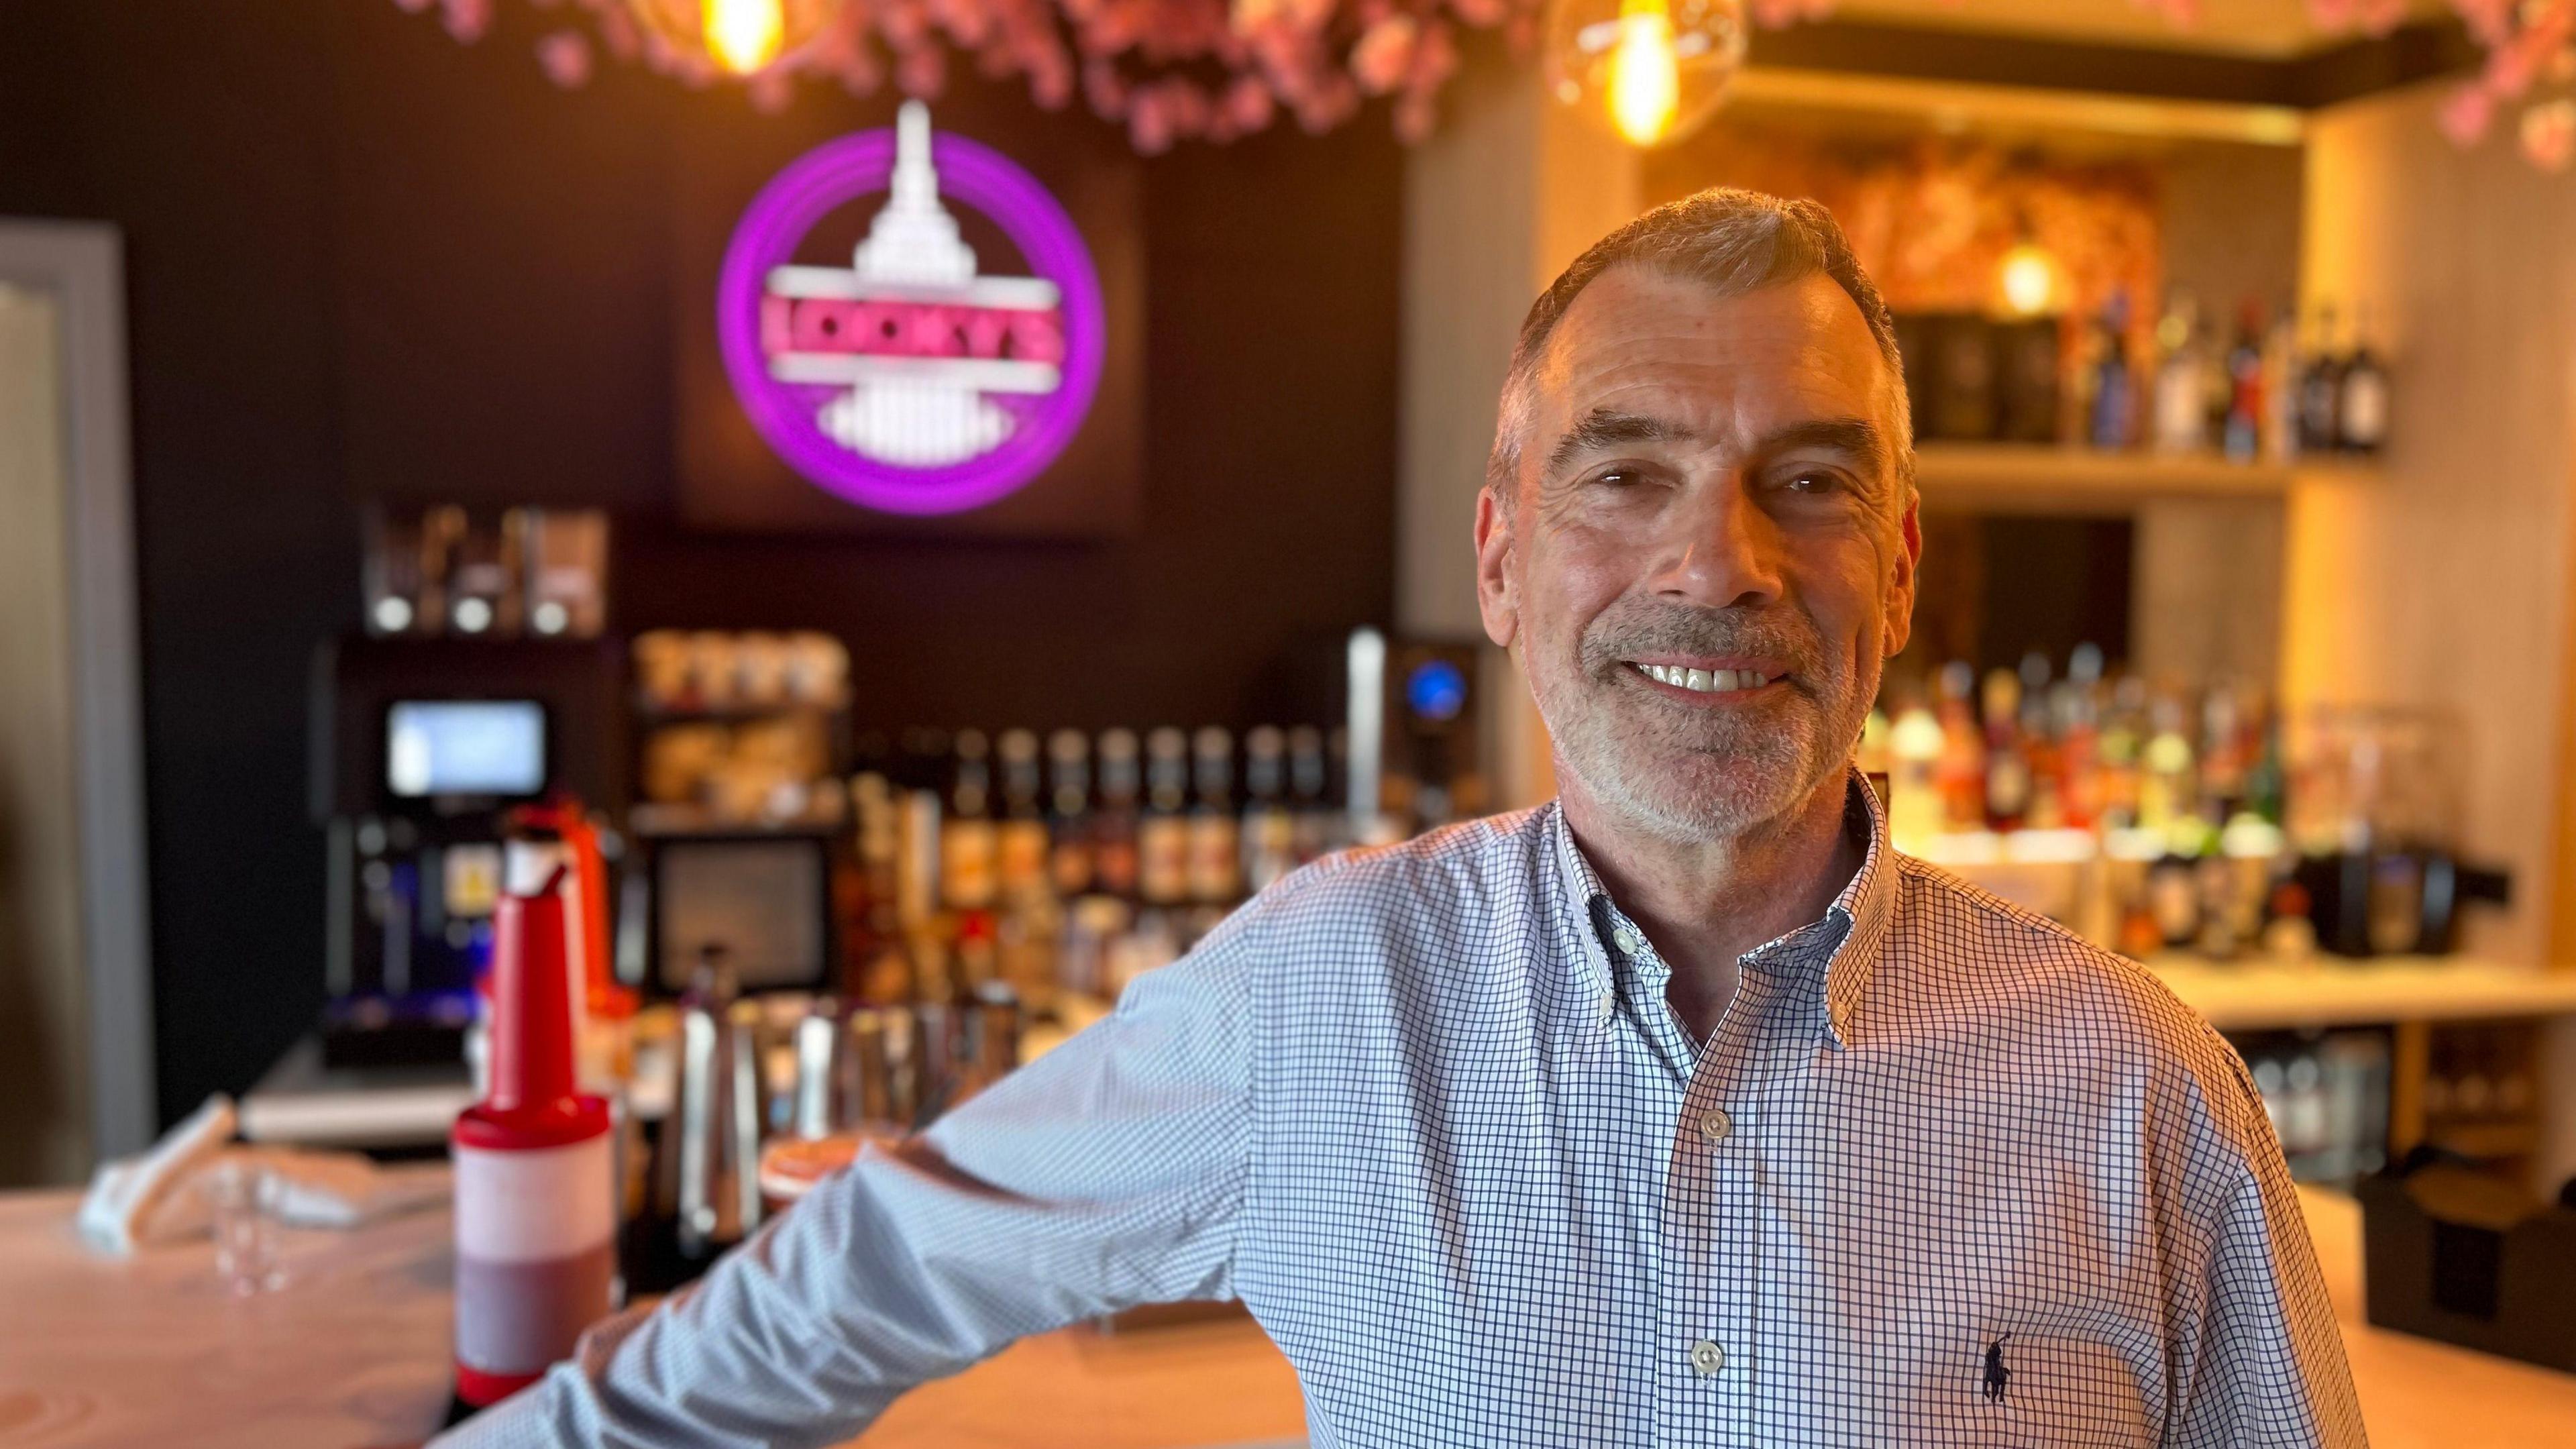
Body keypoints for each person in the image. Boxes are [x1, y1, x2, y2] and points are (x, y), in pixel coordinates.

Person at [441, 189, 2364, 1448]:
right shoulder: (1328, 993)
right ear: (1503, 563)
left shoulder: (2138, 1088)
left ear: (1905, 569)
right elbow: (875, 1270)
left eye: (1809, 481)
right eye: (1630, 472)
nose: (1724, 562)